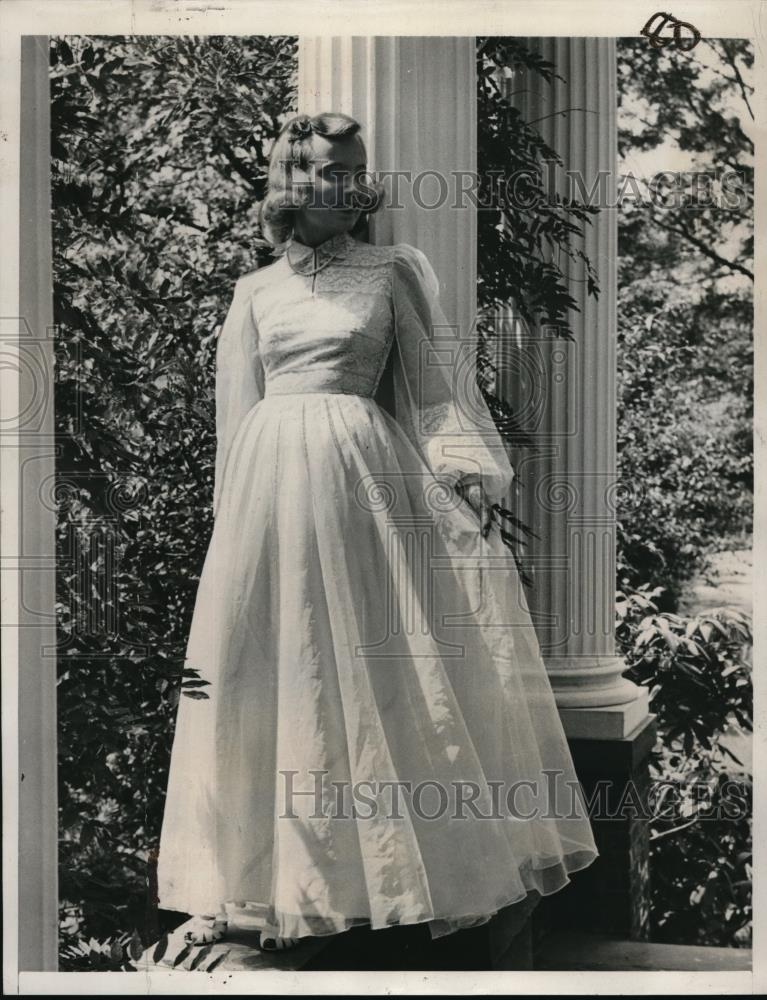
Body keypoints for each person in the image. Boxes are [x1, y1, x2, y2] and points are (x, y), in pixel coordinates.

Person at [156, 110, 599, 954]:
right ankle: (265, 881)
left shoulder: (394, 268)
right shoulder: (255, 292)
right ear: (290, 180)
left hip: (365, 479)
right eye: (329, 170)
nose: (349, 185)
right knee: (274, 669)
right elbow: (235, 415)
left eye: (356, 169)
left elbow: (434, 390)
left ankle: (392, 873)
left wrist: (462, 472)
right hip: (269, 487)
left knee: (373, 671)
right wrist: (231, 537)